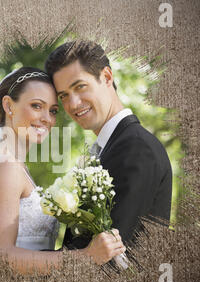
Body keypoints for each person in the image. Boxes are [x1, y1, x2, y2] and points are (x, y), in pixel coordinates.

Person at [0, 67, 126, 274]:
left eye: (52, 111)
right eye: (36, 106)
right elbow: (2, 256)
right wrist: (86, 257)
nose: (47, 119)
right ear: (8, 105)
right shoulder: (5, 166)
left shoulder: (13, 163)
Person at [45, 40, 172, 249]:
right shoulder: (110, 147)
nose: (73, 104)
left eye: (80, 87)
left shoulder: (137, 149)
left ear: (106, 77)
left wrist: (27, 263)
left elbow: (116, 257)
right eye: (64, 96)